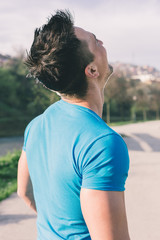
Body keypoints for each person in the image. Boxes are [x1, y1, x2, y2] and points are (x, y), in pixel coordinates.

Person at [17, 10, 130, 240]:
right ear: (92, 70)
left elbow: (24, 193)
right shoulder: (102, 144)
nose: (102, 43)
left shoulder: (36, 126)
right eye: (95, 41)